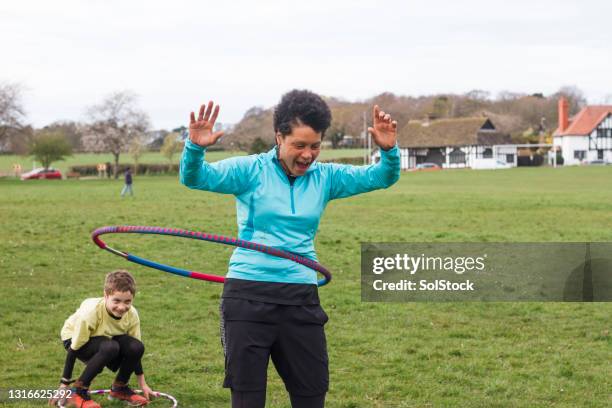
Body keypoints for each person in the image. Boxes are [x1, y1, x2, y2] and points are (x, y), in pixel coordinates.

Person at [180, 89, 400, 408]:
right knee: (248, 399)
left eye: (315, 146)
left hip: (300, 296)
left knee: (311, 396)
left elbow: (381, 177)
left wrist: (389, 151)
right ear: (279, 137)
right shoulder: (250, 170)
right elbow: (196, 178)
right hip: (247, 295)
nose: (308, 155)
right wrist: (194, 149)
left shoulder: (326, 177)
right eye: (299, 145)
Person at [50, 270, 153, 408]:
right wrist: (64, 384)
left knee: (136, 346)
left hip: (105, 338)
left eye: (127, 301)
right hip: (74, 337)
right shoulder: (91, 313)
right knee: (110, 347)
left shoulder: (132, 314)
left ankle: (119, 388)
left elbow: (135, 352)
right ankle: (78, 391)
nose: (122, 307)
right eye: (116, 300)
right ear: (106, 295)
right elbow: (74, 349)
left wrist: (143, 384)